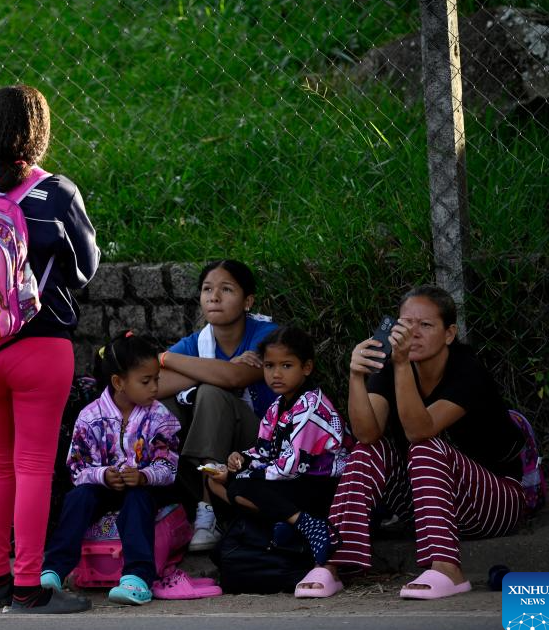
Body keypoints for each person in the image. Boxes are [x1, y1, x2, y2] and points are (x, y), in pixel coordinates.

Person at [0, 85, 99, 614]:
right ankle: (26, 588)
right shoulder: (56, 191)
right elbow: (84, 269)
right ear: (39, 133)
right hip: (40, 347)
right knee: (35, 465)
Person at [295, 285, 526, 600]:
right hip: (427, 507)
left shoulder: (467, 370)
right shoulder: (390, 366)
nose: (413, 334)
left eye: (426, 325)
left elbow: (421, 430)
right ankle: (333, 564)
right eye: (406, 324)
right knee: (367, 451)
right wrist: (356, 376)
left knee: (425, 446)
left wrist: (402, 365)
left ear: (449, 333)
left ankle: (447, 569)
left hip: (494, 501)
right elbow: (366, 434)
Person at [40, 332, 180, 606]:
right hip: (103, 489)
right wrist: (103, 475)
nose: (154, 387)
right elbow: (77, 468)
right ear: (118, 382)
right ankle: (53, 570)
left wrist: (143, 476)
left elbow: (169, 465)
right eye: (146, 381)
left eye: (156, 380)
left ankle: (138, 577)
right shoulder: (90, 417)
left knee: (138, 500)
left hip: (145, 489)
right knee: (78, 498)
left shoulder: (161, 417)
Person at [156, 259, 277, 551]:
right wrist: (212, 369)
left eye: (226, 289)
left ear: (248, 301)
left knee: (210, 392)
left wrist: (169, 359)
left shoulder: (266, 335)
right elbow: (154, 384)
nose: (214, 297)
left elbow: (236, 376)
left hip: (262, 442)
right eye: (207, 289)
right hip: (214, 448)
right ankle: (182, 503)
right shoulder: (198, 342)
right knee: (165, 405)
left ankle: (207, 509)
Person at [205, 326, 351, 563]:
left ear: (306, 368)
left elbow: (289, 467)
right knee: (216, 481)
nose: (276, 374)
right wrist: (241, 459)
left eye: (286, 366)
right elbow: (264, 451)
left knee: (240, 486)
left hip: (323, 487)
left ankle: (309, 525)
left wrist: (240, 475)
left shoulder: (311, 409)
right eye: (269, 366)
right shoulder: (277, 407)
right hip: (293, 483)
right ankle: (284, 522)